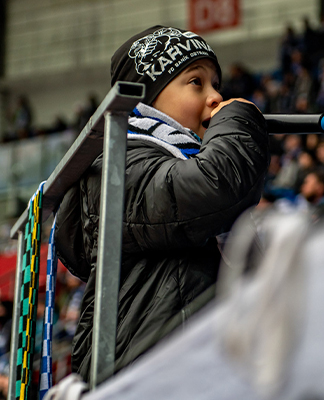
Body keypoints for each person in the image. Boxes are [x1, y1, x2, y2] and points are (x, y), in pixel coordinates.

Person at [54, 25, 271, 383]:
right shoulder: (118, 163)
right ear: (146, 101)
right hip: (152, 373)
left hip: (204, 365)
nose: (216, 97)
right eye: (196, 82)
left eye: (216, 84)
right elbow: (210, 189)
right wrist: (238, 122)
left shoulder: (178, 161)